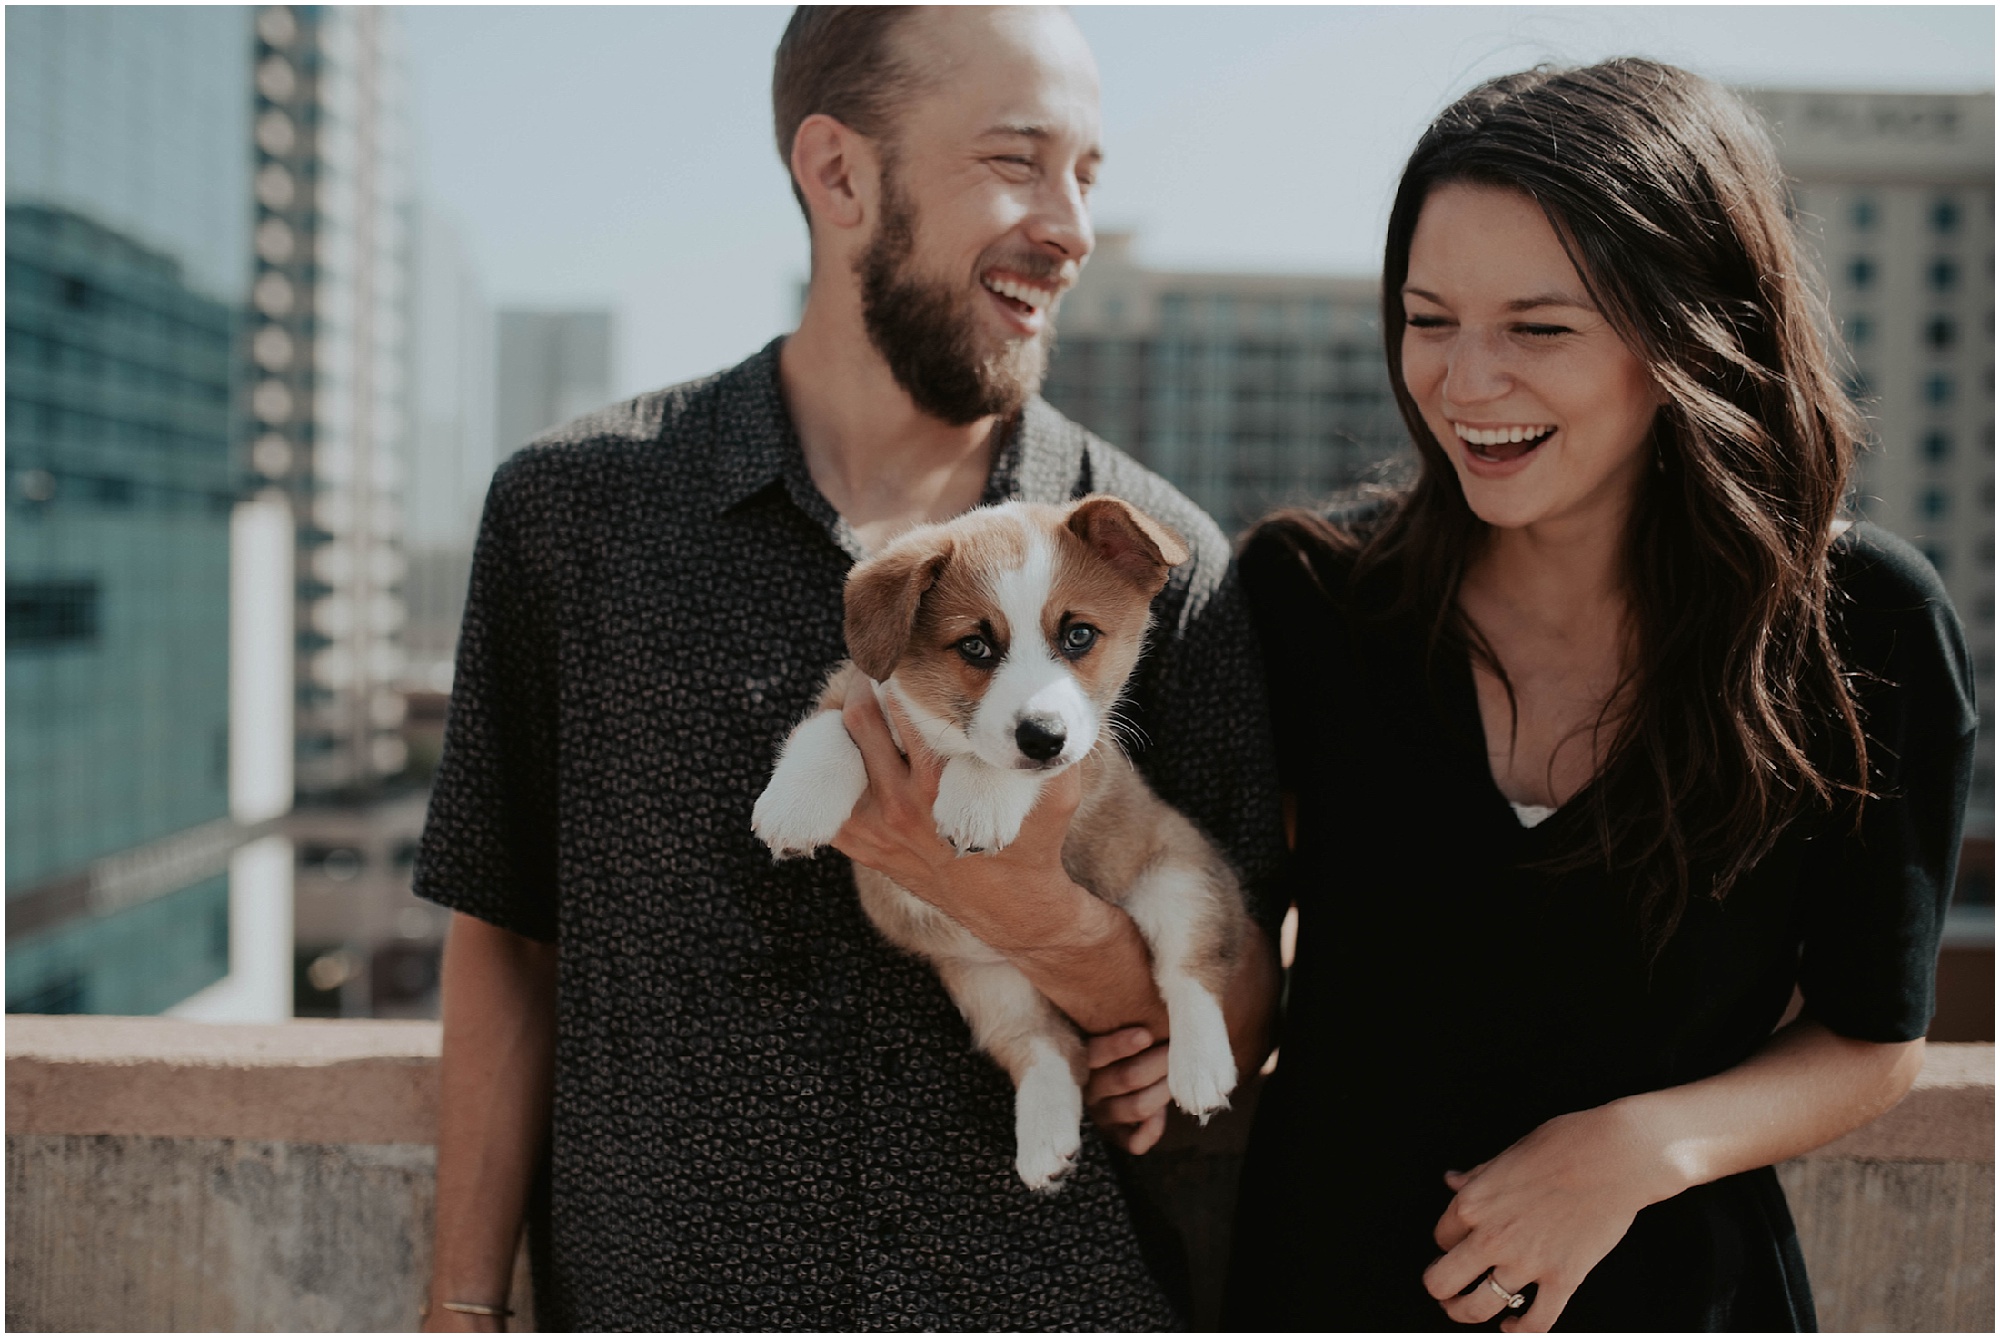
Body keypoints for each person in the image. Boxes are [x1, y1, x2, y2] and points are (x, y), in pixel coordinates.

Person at [413, 6, 1285, 1331]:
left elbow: (1241, 989)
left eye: (1088, 174)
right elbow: (510, 934)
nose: (1073, 226)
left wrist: (1026, 909)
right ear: (838, 173)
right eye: (1017, 160)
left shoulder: (1162, 566)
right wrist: (461, 1307)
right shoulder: (571, 517)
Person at [1131, 60, 1970, 1331]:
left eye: (1538, 328)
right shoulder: (1305, 601)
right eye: (1427, 320)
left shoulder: (1862, 626)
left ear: (1690, 331)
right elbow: (1221, 944)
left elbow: (1872, 1035)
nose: (1466, 384)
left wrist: (1637, 1150)